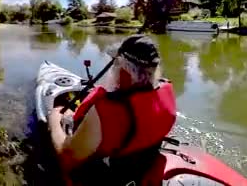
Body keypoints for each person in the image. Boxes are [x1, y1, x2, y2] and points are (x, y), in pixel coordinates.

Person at [47, 34, 177, 185]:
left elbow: (68, 155)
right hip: (141, 163)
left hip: (113, 174)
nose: (112, 67)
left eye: (115, 63)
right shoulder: (167, 88)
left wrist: (55, 119)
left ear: (124, 70)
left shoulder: (108, 109)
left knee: (60, 128)